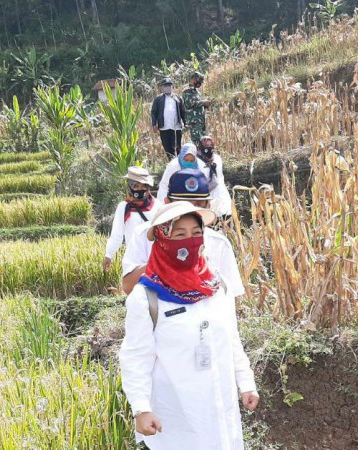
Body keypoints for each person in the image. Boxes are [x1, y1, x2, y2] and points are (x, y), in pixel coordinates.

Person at [119, 201, 259, 450]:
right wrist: (141, 408)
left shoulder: (217, 286)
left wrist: (245, 382)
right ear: (162, 239)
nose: (189, 241)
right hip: (176, 413)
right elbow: (135, 356)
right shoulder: (146, 297)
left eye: (196, 233)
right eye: (179, 234)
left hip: (220, 405)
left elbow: (231, 338)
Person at [121, 168, 243, 298]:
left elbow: (232, 295)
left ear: (208, 205)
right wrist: (163, 259)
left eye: (199, 204)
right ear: (167, 203)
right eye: (182, 204)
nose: (190, 211)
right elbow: (128, 287)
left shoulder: (219, 243)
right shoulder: (144, 234)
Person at [103, 166, 160, 273]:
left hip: (155, 261)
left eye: (143, 186)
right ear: (129, 187)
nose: (139, 189)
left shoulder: (157, 206)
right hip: (133, 262)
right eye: (136, 186)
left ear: (148, 187)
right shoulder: (124, 207)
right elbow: (117, 235)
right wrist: (108, 255)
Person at [157, 143, 232, 218]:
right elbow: (164, 185)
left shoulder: (202, 167)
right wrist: (164, 206)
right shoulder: (173, 166)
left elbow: (205, 187)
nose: (188, 163)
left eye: (191, 160)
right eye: (186, 160)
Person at [196, 135, 232, 217]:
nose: (208, 148)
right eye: (206, 146)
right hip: (206, 192)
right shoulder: (197, 161)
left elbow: (220, 175)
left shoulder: (217, 158)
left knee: (224, 213)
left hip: (220, 190)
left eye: (210, 145)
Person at [151, 77, 187, 159]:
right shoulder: (158, 99)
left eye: (169, 85)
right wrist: (154, 124)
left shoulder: (177, 98)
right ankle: (171, 162)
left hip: (176, 127)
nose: (168, 87)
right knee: (167, 146)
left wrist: (185, 123)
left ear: (172, 87)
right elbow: (154, 112)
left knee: (177, 146)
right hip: (164, 127)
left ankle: (178, 163)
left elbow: (183, 111)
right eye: (166, 85)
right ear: (162, 87)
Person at [182, 71, 211, 145]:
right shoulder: (187, 91)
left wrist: (205, 105)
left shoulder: (197, 92)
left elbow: (198, 104)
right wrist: (203, 102)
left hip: (201, 120)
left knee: (203, 141)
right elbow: (191, 103)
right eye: (197, 80)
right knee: (197, 142)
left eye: (200, 81)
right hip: (194, 121)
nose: (199, 83)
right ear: (192, 79)